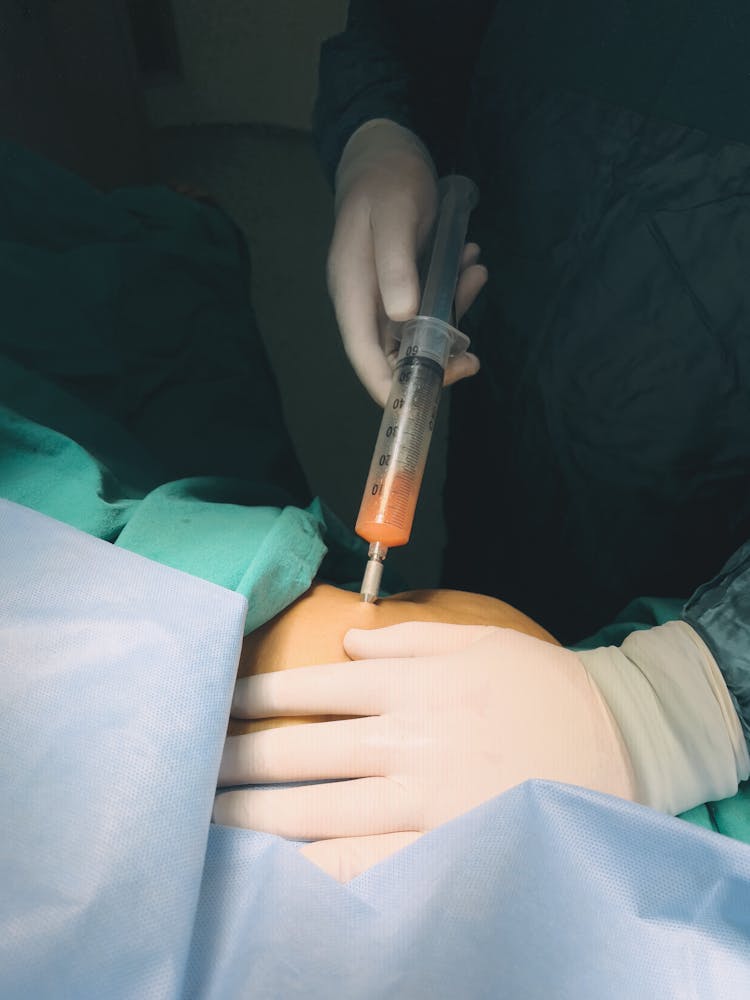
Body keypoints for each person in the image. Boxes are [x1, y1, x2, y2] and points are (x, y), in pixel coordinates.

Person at [314, 0, 750, 643]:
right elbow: (409, 27)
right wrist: (377, 126)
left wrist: (704, 686)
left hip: (709, 504)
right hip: (511, 405)